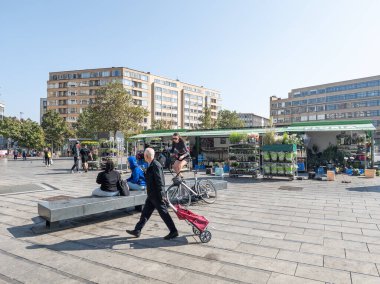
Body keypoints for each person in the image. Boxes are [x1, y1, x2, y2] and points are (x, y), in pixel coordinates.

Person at [126, 148, 178, 240]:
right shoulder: (150, 164)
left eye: (144, 155)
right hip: (151, 194)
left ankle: (173, 231)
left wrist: (162, 194)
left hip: (157, 195)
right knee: (145, 213)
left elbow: (160, 180)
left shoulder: (156, 165)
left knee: (164, 213)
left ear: (147, 156)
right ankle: (137, 230)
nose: (143, 157)